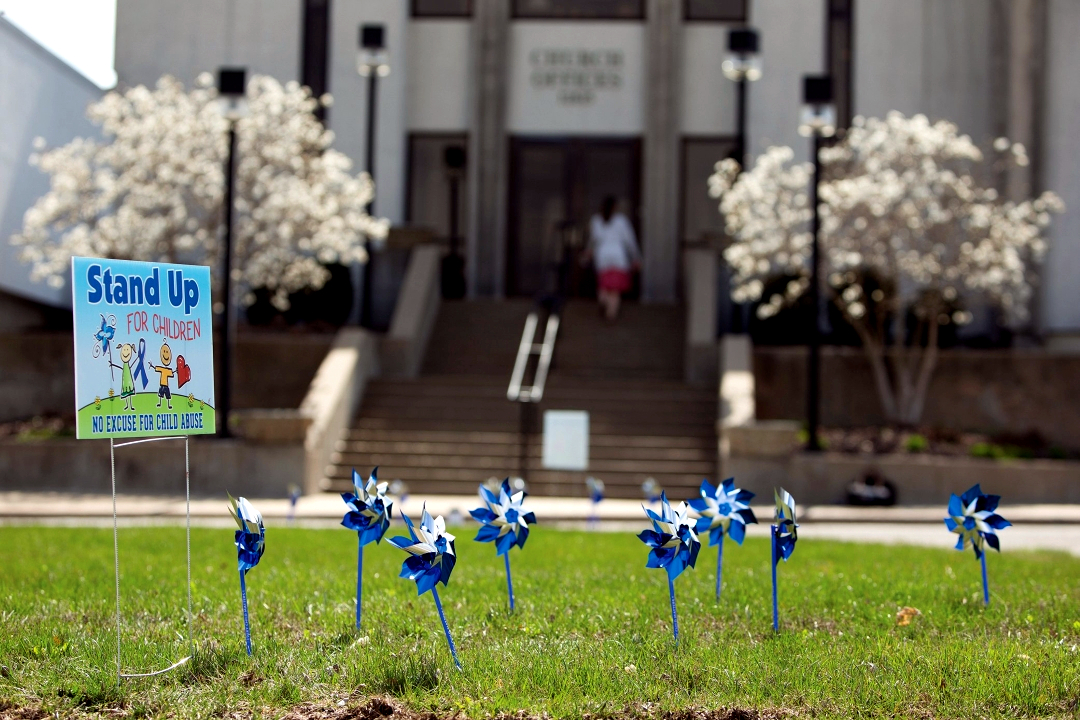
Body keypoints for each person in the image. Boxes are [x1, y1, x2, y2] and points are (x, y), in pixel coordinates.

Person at [584, 196, 640, 321]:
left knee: (604, 284)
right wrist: (635, 257)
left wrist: (588, 253)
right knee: (614, 288)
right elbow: (630, 241)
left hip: (602, 256)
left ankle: (603, 301)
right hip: (618, 256)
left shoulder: (596, 220)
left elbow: (593, 241)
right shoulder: (621, 221)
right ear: (615, 207)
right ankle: (611, 313)